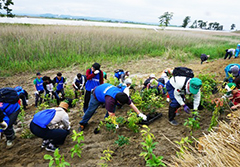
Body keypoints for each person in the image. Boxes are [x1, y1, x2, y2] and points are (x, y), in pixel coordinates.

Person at [78, 83, 147, 131]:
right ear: (118, 101)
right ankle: (83, 123)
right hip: (96, 94)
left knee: (112, 109)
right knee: (91, 110)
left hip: (105, 89)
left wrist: (139, 114)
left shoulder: (123, 95)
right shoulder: (110, 100)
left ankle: (107, 120)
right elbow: (111, 113)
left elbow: (131, 104)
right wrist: (115, 124)